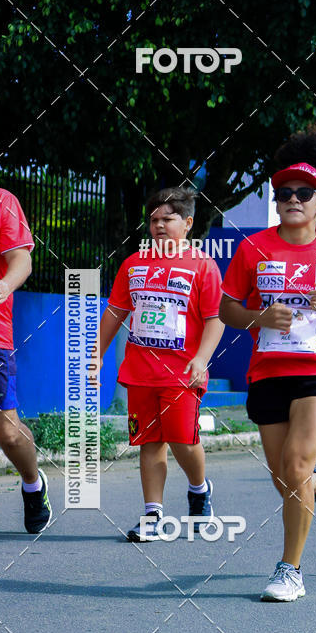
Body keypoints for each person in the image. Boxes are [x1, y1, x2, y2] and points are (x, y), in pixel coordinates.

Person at [219, 126, 316, 601]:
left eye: (303, 192)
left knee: (294, 462)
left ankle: (290, 571)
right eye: (283, 192)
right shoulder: (253, 248)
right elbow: (226, 309)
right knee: (286, 476)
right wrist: (258, 316)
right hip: (267, 371)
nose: (292, 199)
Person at [95, 186, 224, 539]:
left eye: (167, 219)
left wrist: (201, 358)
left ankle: (199, 488)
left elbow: (216, 319)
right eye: (153, 220)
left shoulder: (203, 266)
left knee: (182, 439)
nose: (159, 225)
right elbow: (115, 313)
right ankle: (153, 515)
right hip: (140, 372)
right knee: (149, 442)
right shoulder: (133, 264)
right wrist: (96, 355)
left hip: (183, 372)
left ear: (187, 223)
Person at [0, 187, 52, 533]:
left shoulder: (2, 202)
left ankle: (33, 482)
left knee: (7, 432)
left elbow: (22, 259)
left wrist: (4, 285)